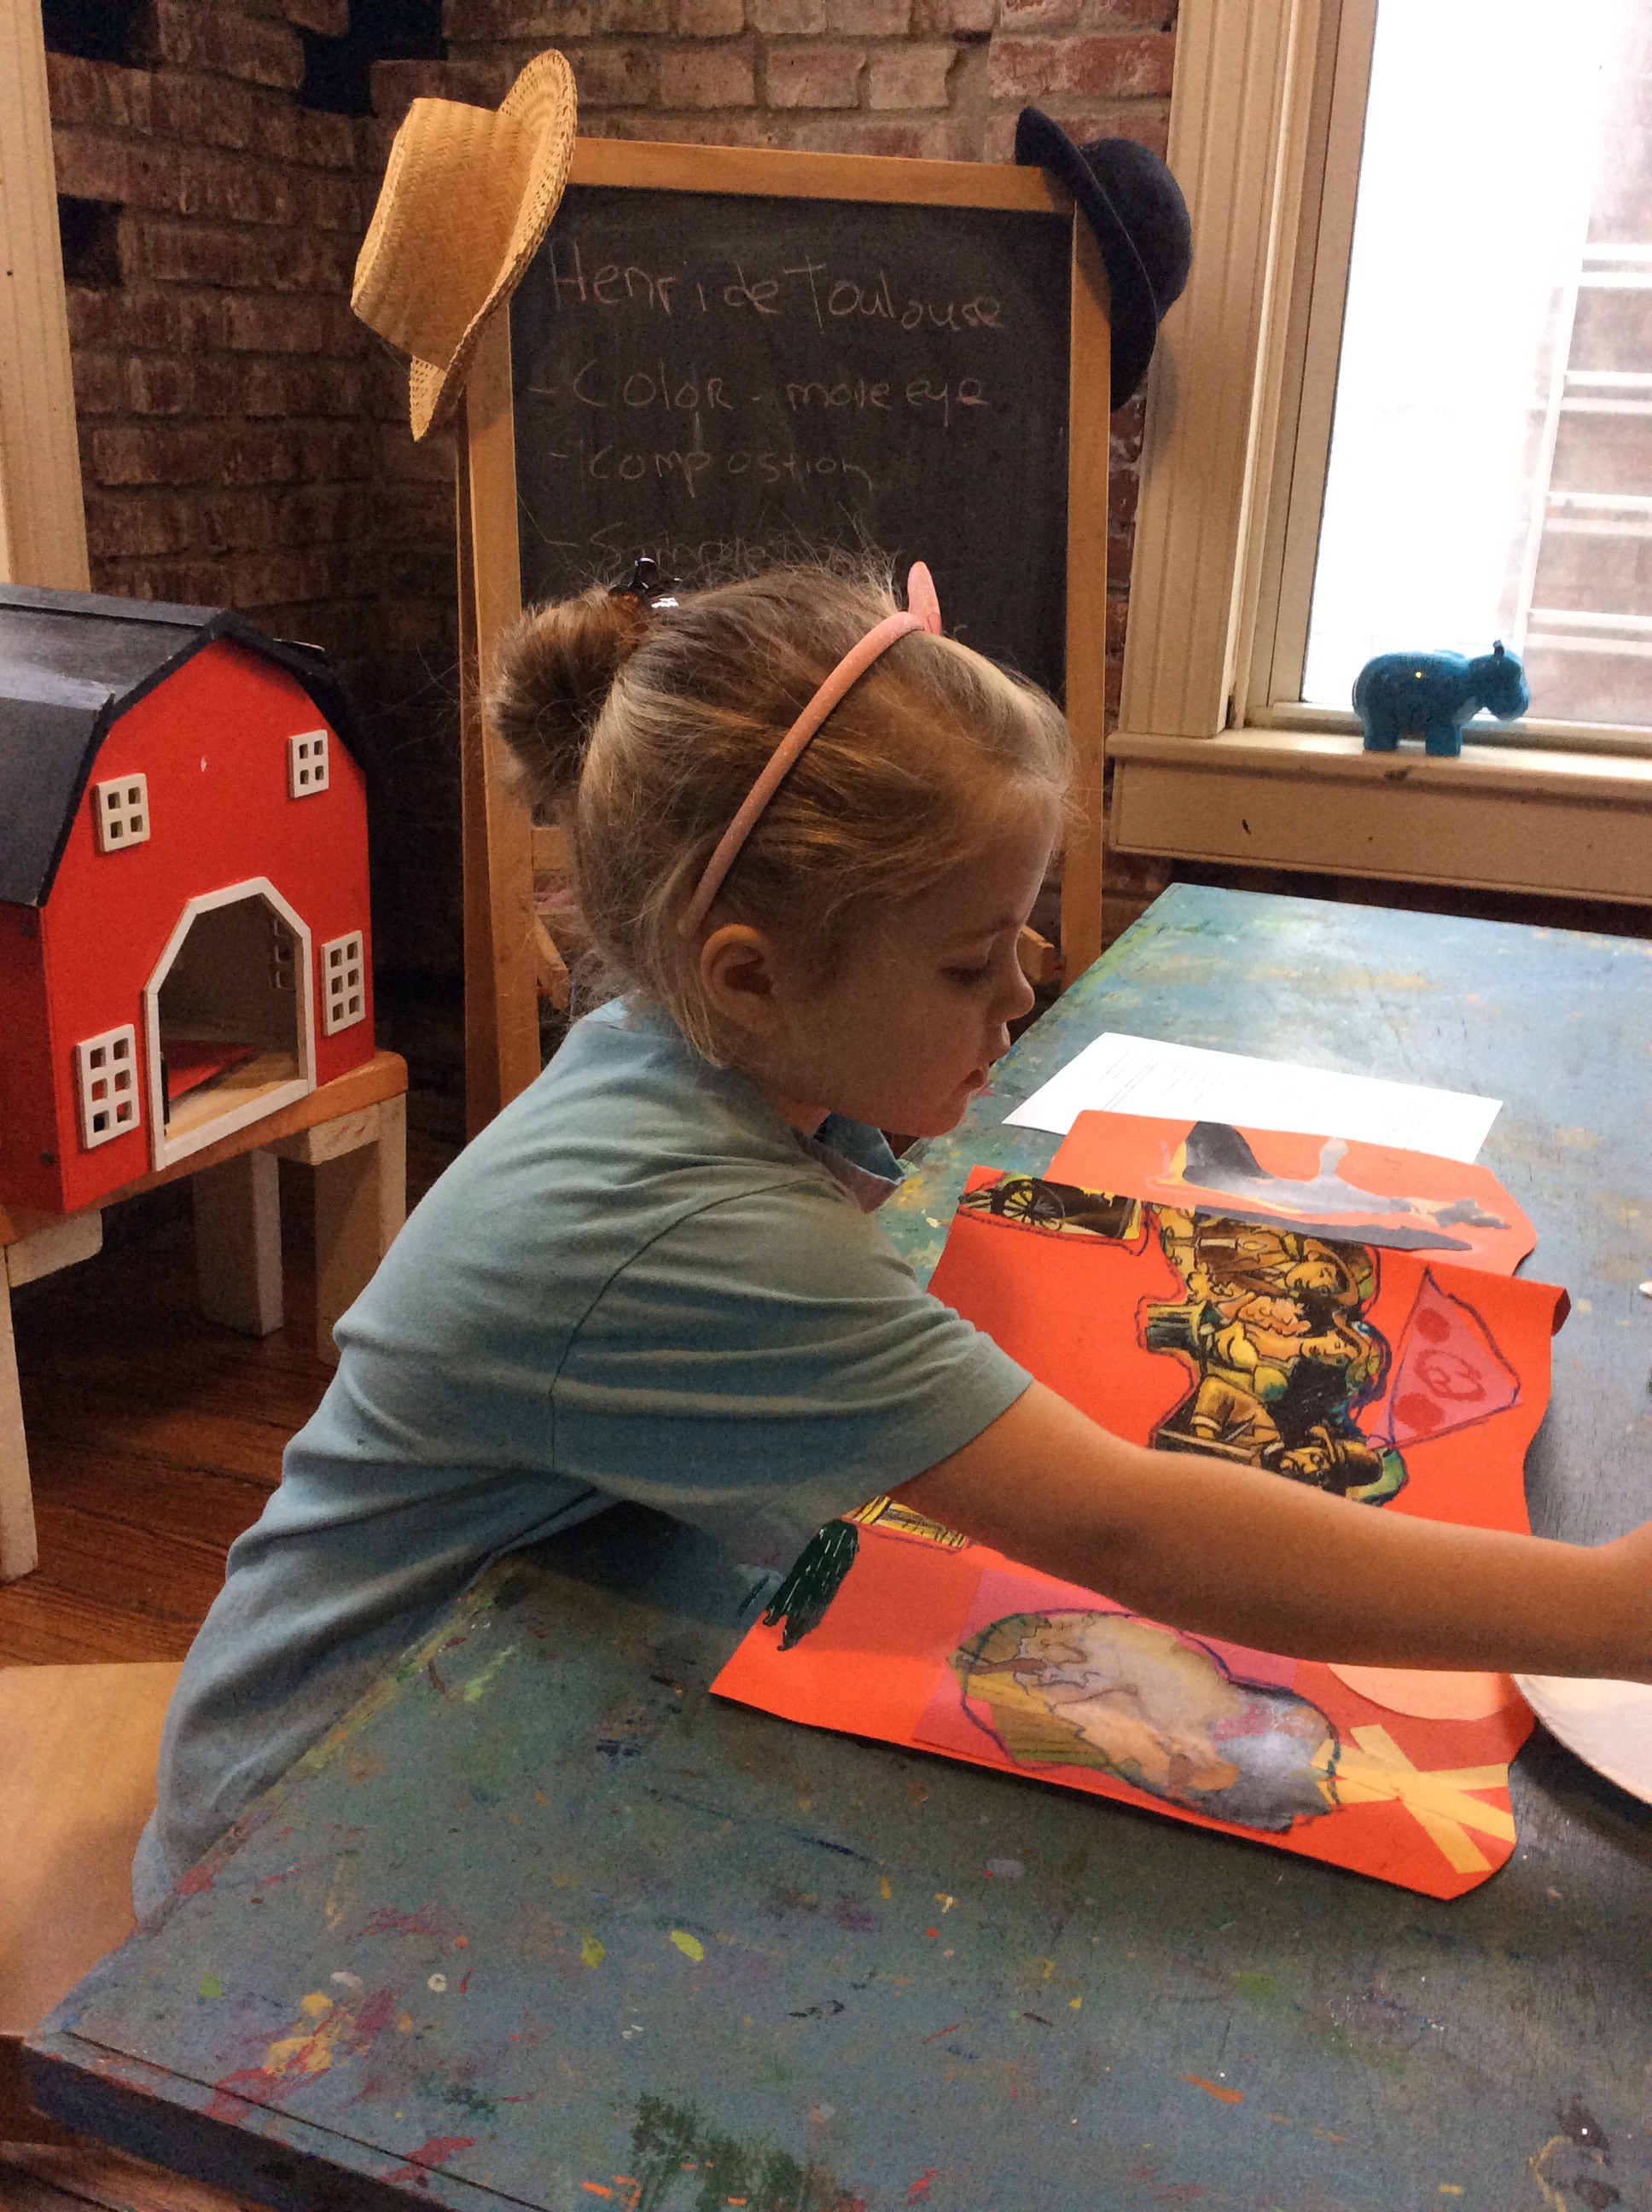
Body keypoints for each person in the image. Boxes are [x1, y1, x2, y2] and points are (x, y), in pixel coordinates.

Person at [133, 561, 1652, 1915]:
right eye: (972, 962)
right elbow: (1129, 1532)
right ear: (749, 974)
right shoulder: (697, 1235)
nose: (1026, 994)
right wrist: (1607, 1614)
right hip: (312, 1837)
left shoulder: (687, 1053)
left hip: (477, 1691)